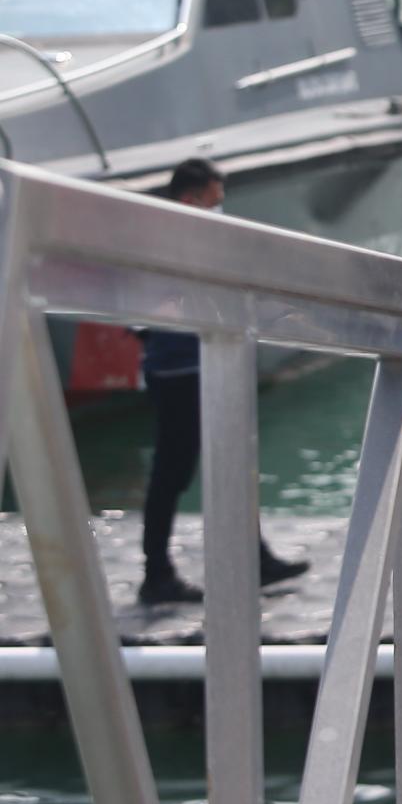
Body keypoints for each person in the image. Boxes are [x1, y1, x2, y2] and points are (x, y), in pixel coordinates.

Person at [136, 159, 310, 605]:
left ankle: (253, 558)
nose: (219, 209)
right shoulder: (175, 234)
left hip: (204, 361)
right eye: (215, 200)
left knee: (233, 460)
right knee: (173, 472)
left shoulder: (163, 232)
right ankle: (156, 575)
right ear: (193, 196)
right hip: (183, 369)